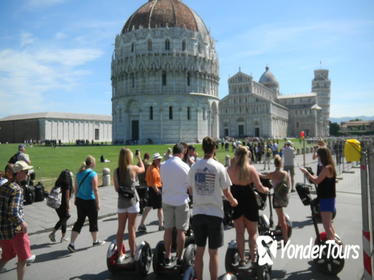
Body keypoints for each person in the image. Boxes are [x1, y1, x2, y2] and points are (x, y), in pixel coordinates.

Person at [188, 137, 238, 280]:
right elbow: (227, 192)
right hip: (214, 214)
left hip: (198, 213)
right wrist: (233, 201)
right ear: (214, 149)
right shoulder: (219, 167)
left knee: (199, 251)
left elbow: (190, 190)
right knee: (213, 253)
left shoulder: (194, 167)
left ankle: (199, 278)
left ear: (202, 148)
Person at [227, 146, 269, 267]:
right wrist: (266, 189)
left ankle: (242, 259)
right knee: (253, 233)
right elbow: (260, 187)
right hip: (250, 202)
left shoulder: (229, 170)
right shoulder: (250, 169)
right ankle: (253, 257)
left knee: (239, 234)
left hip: (236, 202)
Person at [0, 161, 35, 280]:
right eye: (26, 172)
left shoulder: (4, 186)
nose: (27, 174)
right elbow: (14, 212)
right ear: (19, 173)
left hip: (3, 230)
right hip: (16, 229)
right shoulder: (17, 189)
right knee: (23, 258)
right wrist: (22, 223)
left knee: (7, 255)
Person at [160, 143, 190, 266]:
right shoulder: (185, 166)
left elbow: (162, 181)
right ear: (182, 153)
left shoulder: (163, 165)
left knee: (167, 230)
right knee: (180, 231)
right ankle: (179, 255)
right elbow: (189, 186)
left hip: (167, 200)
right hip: (181, 201)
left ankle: (167, 254)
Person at [67, 156, 105, 252]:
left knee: (79, 221)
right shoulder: (93, 174)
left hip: (80, 200)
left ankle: (71, 243)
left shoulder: (79, 174)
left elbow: (75, 188)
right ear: (92, 163)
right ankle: (95, 241)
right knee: (93, 221)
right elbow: (95, 189)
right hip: (90, 201)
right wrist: (98, 202)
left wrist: (76, 199)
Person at [114, 148, 145, 264]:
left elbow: (116, 189)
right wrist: (139, 158)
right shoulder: (133, 168)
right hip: (132, 202)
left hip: (121, 203)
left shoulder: (116, 171)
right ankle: (132, 252)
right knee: (131, 229)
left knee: (120, 230)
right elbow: (143, 169)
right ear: (129, 157)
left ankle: (120, 255)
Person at [300, 147, 337, 240]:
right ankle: (334, 241)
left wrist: (307, 173)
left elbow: (317, 180)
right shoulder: (329, 166)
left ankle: (332, 246)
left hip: (326, 198)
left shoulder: (327, 168)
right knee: (328, 224)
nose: (318, 158)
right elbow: (320, 178)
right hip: (327, 197)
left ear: (322, 156)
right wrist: (311, 174)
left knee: (326, 225)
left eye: (319, 156)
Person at [262, 155, 290, 243]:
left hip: (277, 198)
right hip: (284, 197)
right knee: (280, 214)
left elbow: (264, 177)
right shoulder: (285, 173)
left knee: (281, 218)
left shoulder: (272, 174)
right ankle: (280, 229)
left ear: (274, 164)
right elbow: (288, 186)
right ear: (281, 163)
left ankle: (285, 238)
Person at [138, 153, 164, 232]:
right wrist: (157, 191)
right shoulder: (153, 169)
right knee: (160, 208)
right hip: (155, 189)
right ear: (154, 160)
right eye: (158, 159)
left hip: (151, 189)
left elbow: (148, 179)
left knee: (148, 207)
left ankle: (141, 224)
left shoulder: (153, 167)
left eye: (160, 159)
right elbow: (153, 182)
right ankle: (161, 225)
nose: (160, 160)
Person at [49, 170, 74, 243]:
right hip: (63, 204)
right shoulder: (67, 184)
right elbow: (66, 196)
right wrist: (68, 206)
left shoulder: (58, 182)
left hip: (56, 203)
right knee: (65, 217)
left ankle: (63, 237)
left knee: (63, 220)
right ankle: (52, 233)